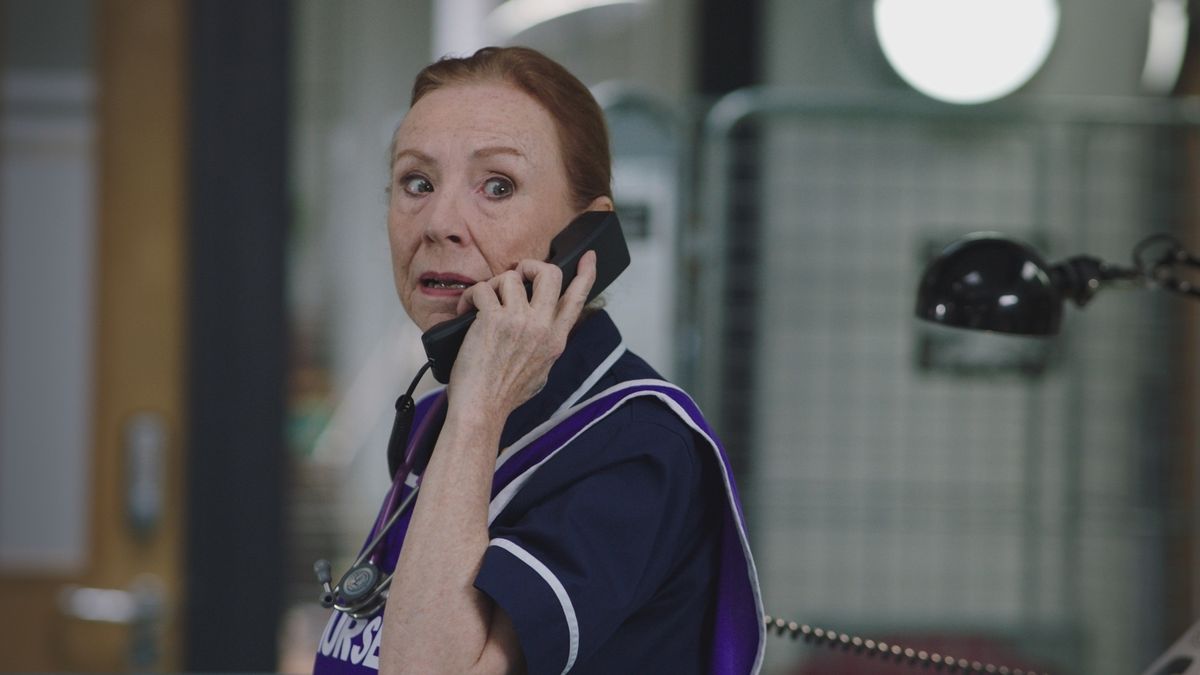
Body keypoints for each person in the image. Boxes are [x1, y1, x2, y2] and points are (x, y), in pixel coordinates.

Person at [313, 46, 763, 674]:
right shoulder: (444, 414)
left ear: (587, 237)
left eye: (497, 186)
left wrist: (477, 414)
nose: (439, 222)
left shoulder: (636, 448)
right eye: (417, 183)